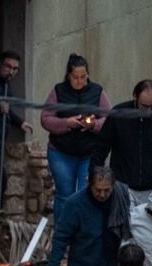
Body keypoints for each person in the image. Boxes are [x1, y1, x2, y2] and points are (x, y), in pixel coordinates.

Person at [40, 53, 111, 219]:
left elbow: (109, 118)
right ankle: (63, 236)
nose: (80, 81)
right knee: (65, 195)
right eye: (75, 77)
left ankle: (82, 236)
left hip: (89, 153)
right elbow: (45, 119)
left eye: (83, 77)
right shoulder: (58, 91)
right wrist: (66, 123)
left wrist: (94, 125)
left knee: (84, 194)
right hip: (61, 152)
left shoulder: (97, 91)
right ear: (68, 76)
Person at [95, 79, 152, 207]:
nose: (149, 112)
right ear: (135, 98)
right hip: (123, 186)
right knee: (122, 225)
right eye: (144, 106)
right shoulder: (119, 115)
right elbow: (101, 147)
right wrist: (95, 176)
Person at [0, 50, 33, 207]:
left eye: (15, 69)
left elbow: (7, 109)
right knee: (0, 179)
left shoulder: (6, 84)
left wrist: (19, 122)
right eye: (8, 66)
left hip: (0, 140)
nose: (11, 71)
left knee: (2, 180)